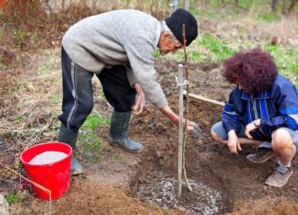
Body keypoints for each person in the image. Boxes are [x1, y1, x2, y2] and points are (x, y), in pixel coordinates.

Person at [58, 9, 198, 175]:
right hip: (80, 47)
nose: (172, 52)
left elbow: (132, 62)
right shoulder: (142, 36)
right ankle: (63, 156)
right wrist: (175, 118)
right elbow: (148, 79)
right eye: (175, 47)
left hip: (106, 52)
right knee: (80, 105)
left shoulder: (152, 32)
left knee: (125, 94)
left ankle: (117, 136)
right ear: (166, 36)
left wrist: (138, 89)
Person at [210, 48, 298, 187]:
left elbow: (293, 121)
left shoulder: (282, 87)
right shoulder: (239, 92)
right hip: (262, 132)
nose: (239, 87)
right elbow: (230, 113)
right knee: (217, 132)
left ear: (253, 80)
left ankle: (283, 168)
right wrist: (231, 133)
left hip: (292, 133)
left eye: (241, 83)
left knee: (280, 137)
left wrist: (261, 122)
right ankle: (269, 147)